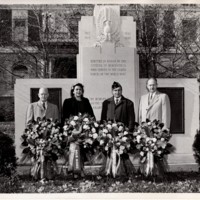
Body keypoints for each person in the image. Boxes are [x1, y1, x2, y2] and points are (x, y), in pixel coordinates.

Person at [101, 81, 135, 176]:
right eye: (115, 90)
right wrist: (103, 131)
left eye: (119, 90)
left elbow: (131, 119)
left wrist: (129, 132)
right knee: (110, 152)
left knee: (122, 153)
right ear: (112, 91)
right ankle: (110, 171)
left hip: (122, 133)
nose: (117, 92)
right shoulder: (106, 103)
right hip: (109, 133)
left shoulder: (128, 103)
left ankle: (122, 171)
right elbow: (103, 118)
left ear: (122, 90)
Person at [62, 83, 95, 178]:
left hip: (84, 130)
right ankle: (73, 170)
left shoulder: (86, 101)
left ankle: (80, 169)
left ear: (82, 91)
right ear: (73, 91)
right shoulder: (67, 101)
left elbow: (91, 115)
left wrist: (90, 125)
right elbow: (65, 116)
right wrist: (69, 127)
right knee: (73, 149)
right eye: (76, 89)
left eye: (80, 89)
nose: (78, 91)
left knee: (82, 150)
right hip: (72, 130)